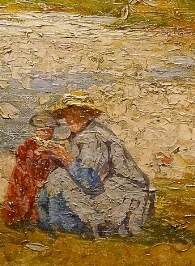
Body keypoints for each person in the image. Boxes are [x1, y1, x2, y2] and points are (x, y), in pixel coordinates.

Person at [35, 99, 154, 237]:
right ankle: (50, 225)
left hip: (123, 193)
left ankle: (68, 229)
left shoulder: (94, 137)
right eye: (68, 115)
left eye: (77, 114)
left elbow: (90, 182)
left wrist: (65, 157)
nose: (71, 119)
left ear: (88, 115)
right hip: (103, 186)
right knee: (57, 176)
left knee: (60, 179)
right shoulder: (80, 134)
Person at [2, 112, 64, 227]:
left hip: (44, 176)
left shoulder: (53, 146)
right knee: (23, 198)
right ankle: (17, 220)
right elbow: (23, 161)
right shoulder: (28, 145)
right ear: (37, 131)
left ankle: (35, 221)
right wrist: (36, 154)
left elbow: (56, 163)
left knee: (39, 200)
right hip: (26, 176)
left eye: (50, 130)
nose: (47, 133)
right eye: (43, 130)